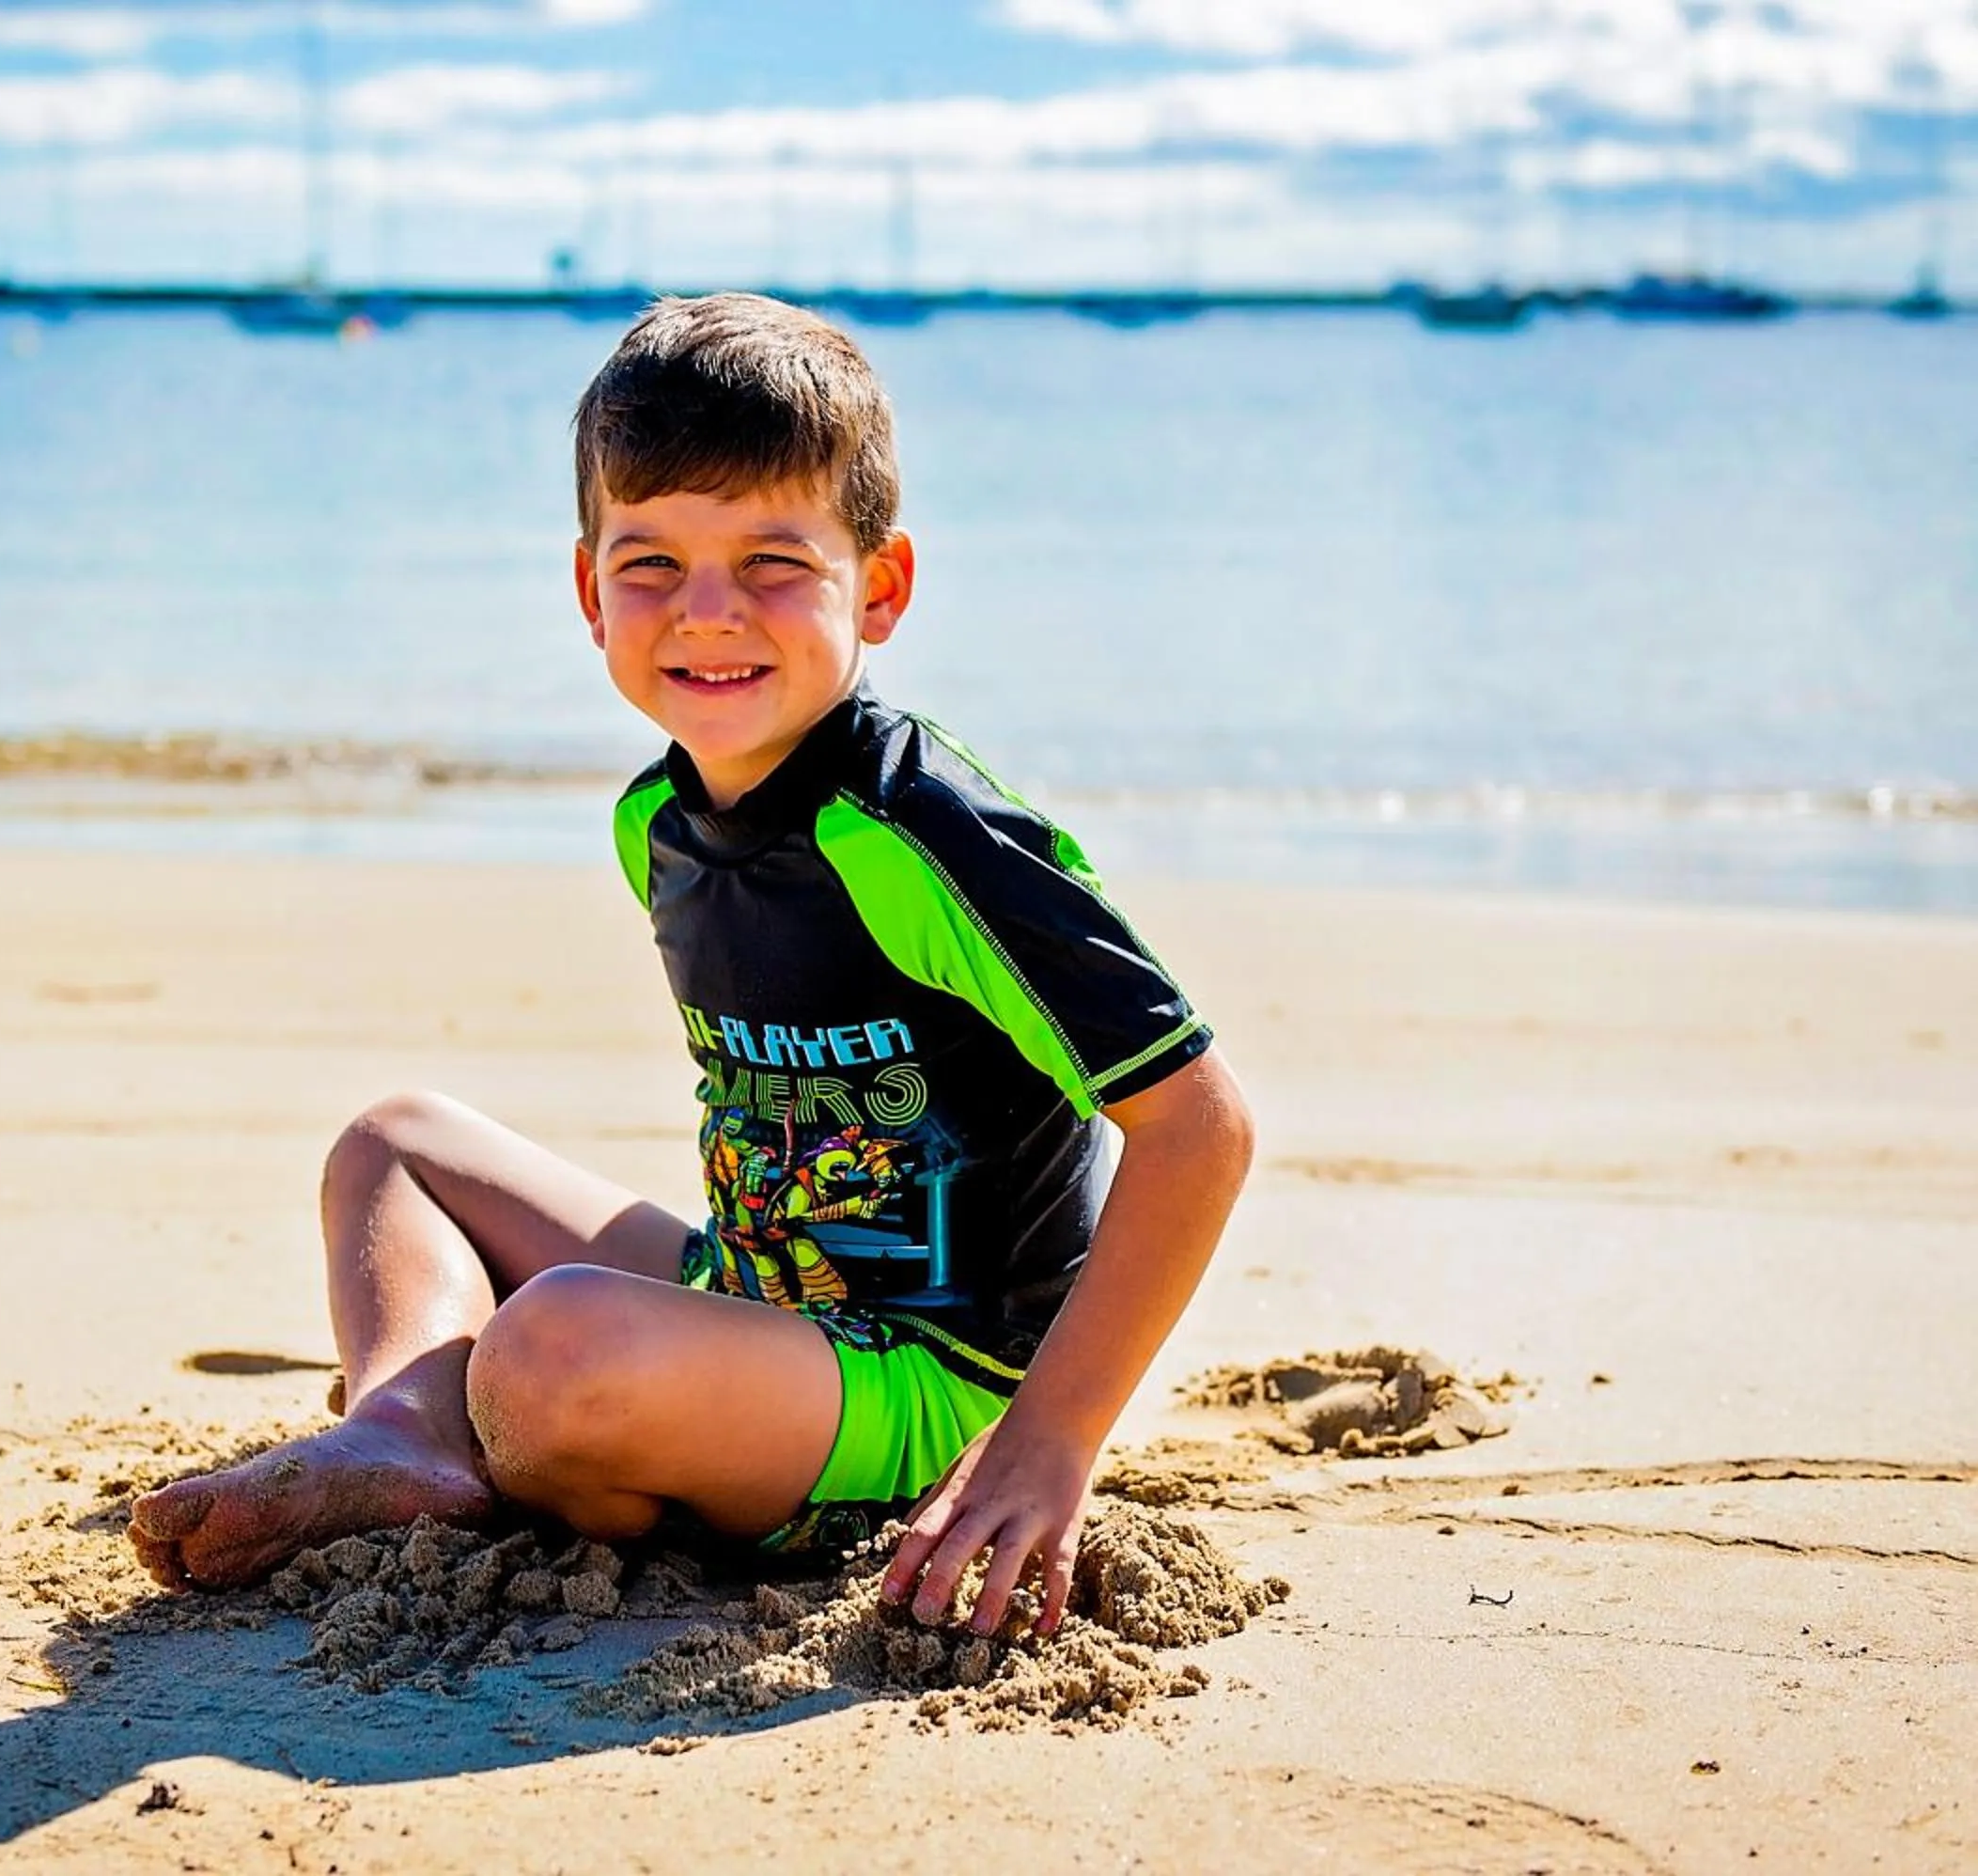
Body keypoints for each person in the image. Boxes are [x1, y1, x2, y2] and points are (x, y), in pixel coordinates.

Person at [132, 293, 1254, 1639]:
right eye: (650, 562)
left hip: (931, 1380)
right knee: (396, 1144)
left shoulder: (917, 834)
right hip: (760, 1296)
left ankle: (534, 1441)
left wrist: (1049, 1441)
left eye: (773, 561)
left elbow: (1199, 1126)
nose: (707, 613)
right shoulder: (653, 824)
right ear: (587, 588)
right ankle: (406, 1437)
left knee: (546, 1352)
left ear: (879, 587)